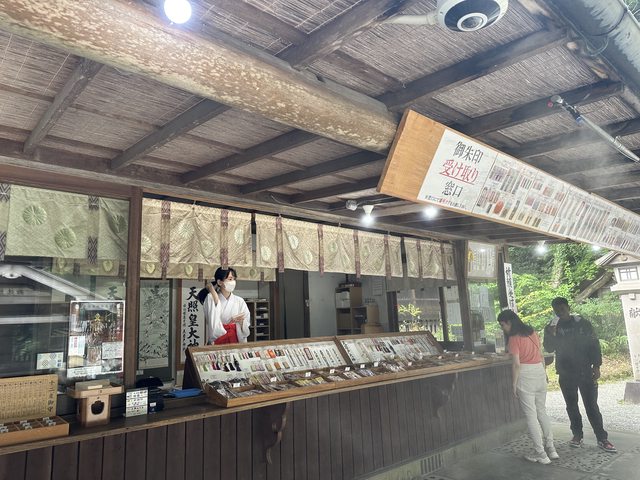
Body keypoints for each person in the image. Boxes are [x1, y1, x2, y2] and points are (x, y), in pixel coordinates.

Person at [544, 297, 616, 452]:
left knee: (592, 406)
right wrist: (551, 334)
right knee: (571, 406)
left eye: (562, 309)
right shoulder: (551, 327)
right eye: (556, 310)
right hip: (565, 372)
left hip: (585, 370)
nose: (560, 312)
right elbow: (548, 348)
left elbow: (594, 344)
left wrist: (596, 366)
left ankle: (602, 438)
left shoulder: (582, 324)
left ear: (568, 308)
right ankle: (577, 435)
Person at [498, 309, 558, 464]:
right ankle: (551, 448)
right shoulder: (532, 332)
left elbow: (516, 364)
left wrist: (514, 383)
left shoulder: (514, 338)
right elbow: (540, 355)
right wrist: (544, 373)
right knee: (542, 411)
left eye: (503, 325)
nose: (503, 328)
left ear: (509, 322)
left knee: (531, 416)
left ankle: (541, 454)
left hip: (525, 375)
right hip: (539, 371)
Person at [198, 267, 250, 344]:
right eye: (230, 279)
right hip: (219, 340)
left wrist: (242, 322)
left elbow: (246, 324)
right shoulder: (211, 298)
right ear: (219, 282)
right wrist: (213, 292)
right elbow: (213, 324)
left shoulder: (240, 301)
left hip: (236, 340)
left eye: (234, 279)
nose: (233, 282)